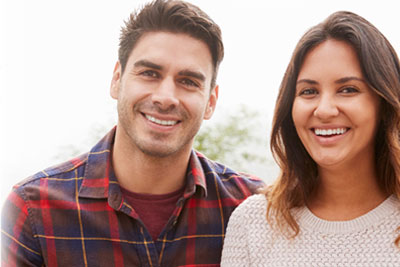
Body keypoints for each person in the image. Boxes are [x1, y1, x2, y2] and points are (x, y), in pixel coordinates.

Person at [1, 0, 264, 266]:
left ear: (211, 101)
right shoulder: (34, 209)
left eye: (188, 81)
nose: (165, 97)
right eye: (150, 73)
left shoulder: (252, 208)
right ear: (117, 80)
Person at [221, 10, 400, 266]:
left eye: (348, 90)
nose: (324, 110)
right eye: (309, 91)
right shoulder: (253, 224)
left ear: (384, 104)